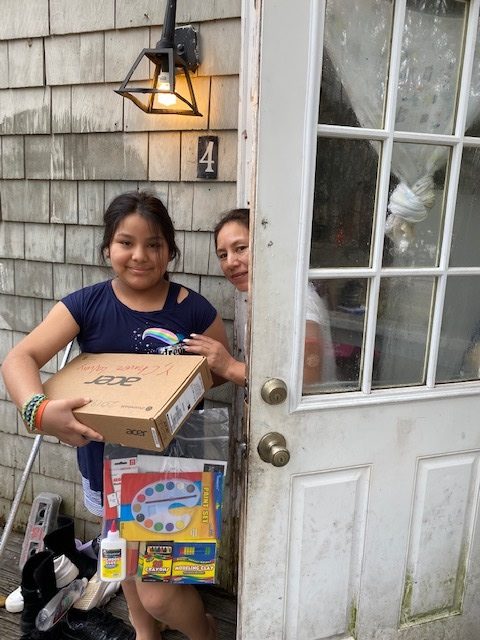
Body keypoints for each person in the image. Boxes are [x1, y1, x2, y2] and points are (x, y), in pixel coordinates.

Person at [1, 191, 227, 640]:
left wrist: (167, 395)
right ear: (108, 248)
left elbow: (215, 374)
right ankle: (145, 632)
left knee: (160, 587)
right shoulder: (86, 304)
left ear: (171, 251)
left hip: (171, 469)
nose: (140, 256)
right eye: (126, 242)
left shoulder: (194, 309)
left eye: (154, 245)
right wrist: (38, 409)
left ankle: (203, 631)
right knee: (120, 557)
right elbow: (20, 358)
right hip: (104, 465)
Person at [184, 208, 337, 390]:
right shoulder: (266, 295)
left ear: (268, 245)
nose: (231, 262)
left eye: (240, 248)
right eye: (223, 255)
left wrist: (229, 366)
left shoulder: (299, 303)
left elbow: (308, 382)